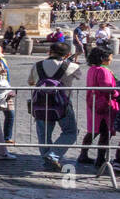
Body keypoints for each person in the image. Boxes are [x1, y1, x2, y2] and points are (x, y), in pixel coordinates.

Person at [27, 40, 81, 172]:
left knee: (44, 135)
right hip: (63, 104)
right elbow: (79, 76)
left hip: (40, 103)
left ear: (49, 51)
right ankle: (53, 155)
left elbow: (31, 81)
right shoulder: (72, 66)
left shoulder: (38, 65)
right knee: (71, 132)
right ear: (68, 54)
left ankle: (48, 162)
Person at [81, 47, 119, 170]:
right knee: (105, 133)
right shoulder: (103, 71)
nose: (112, 59)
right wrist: (117, 94)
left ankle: (83, 154)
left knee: (93, 130)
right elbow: (108, 88)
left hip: (94, 102)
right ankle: (100, 159)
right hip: (104, 105)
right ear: (104, 58)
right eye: (111, 56)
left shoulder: (92, 69)